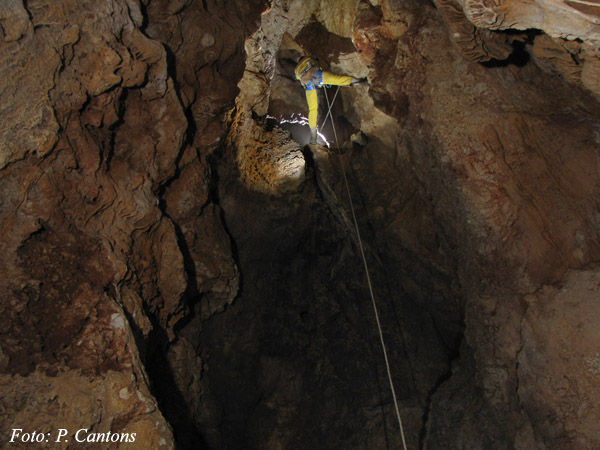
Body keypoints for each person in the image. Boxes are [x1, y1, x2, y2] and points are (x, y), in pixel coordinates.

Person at [295, 56, 368, 144]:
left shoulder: (297, 69)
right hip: (317, 74)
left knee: (313, 109)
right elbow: (319, 63)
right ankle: (360, 82)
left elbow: (299, 78)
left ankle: (313, 135)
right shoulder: (308, 58)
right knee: (337, 79)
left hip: (308, 84)